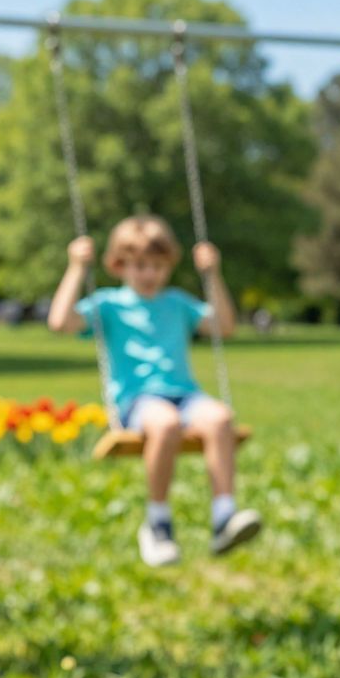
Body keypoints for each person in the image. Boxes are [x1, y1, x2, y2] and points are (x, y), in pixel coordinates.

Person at [48, 216, 260, 566]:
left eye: (159, 266)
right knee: (165, 423)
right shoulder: (109, 305)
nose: (150, 275)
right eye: (141, 265)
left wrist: (213, 275)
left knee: (221, 418)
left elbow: (224, 326)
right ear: (119, 265)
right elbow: (59, 322)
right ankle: (157, 523)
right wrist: (75, 268)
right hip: (138, 401)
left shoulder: (177, 303)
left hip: (185, 394)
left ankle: (224, 516)